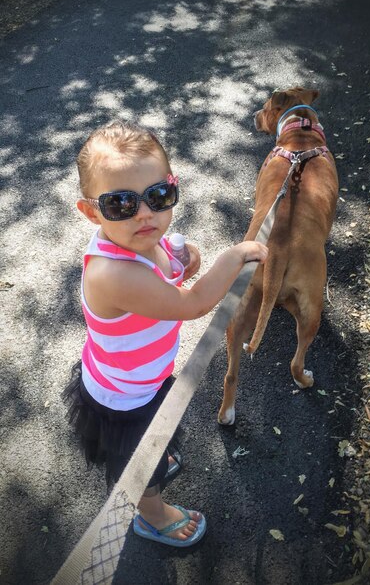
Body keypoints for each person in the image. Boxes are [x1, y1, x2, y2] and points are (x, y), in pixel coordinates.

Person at [63, 121, 268, 547]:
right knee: (141, 466)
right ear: (90, 212)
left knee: (155, 446)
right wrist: (232, 257)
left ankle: (149, 489)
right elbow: (190, 305)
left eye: (158, 196)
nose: (144, 214)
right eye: (120, 203)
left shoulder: (138, 241)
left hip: (142, 377)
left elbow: (166, 264)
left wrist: (180, 255)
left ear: (172, 189)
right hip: (125, 398)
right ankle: (151, 515)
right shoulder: (113, 273)